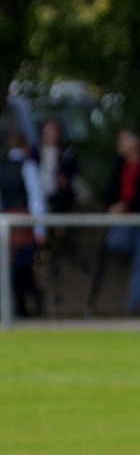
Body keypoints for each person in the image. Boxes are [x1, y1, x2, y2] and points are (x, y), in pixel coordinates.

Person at [91, 129, 140, 314]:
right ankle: (139, 250)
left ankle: (131, 308)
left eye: (123, 140)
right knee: (115, 242)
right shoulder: (119, 166)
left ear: (135, 142)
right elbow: (110, 192)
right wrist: (113, 207)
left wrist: (126, 204)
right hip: (125, 221)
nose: (119, 145)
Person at [0, 129, 47, 316]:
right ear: (25, 147)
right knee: (18, 264)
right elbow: (36, 198)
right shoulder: (28, 166)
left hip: (9, 222)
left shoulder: (3, 167)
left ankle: (26, 304)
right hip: (23, 221)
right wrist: (40, 228)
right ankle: (27, 302)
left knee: (19, 264)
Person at [37, 119, 78, 213]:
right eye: (48, 131)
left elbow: (73, 173)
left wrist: (65, 179)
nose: (52, 134)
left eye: (54, 131)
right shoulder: (35, 152)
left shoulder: (67, 152)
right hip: (41, 193)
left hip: (60, 195)